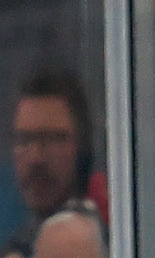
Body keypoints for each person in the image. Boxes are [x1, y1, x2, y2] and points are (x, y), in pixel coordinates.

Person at [10, 64, 95, 231]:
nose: (36, 158)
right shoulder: (15, 250)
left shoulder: (115, 246)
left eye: (51, 140)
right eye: (24, 140)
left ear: (82, 148)